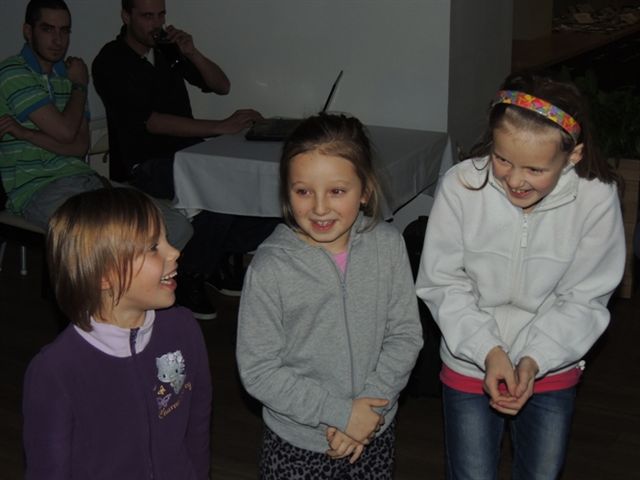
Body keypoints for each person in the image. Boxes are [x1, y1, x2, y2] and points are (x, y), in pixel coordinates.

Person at [416, 73, 626, 479]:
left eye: (534, 169)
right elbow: (443, 282)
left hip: (552, 366)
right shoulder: (461, 185)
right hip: (469, 363)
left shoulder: (596, 199)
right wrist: (488, 351)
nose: (515, 179)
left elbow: (585, 298)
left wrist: (535, 359)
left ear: (573, 155)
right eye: (503, 159)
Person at [236, 113, 423, 479]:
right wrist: (342, 413)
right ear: (286, 192)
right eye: (303, 191)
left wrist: (366, 413)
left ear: (365, 190)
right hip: (298, 442)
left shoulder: (388, 246)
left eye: (337, 191)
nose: (319, 208)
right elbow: (259, 370)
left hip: (373, 430)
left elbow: (404, 335)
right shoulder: (270, 268)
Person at [92, 0, 278, 319]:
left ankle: (215, 259)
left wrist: (192, 52)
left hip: (188, 153)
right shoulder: (111, 60)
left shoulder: (166, 50)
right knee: (218, 191)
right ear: (126, 16)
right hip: (144, 163)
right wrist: (220, 126)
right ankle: (192, 274)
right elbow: (151, 122)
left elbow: (221, 85)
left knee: (264, 187)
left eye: (161, 15)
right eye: (147, 16)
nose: (156, 23)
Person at [22, 187, 212, 479]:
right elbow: (48, 469)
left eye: (167, 239)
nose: (174, 252)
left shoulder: (183, 329)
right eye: (153, 246)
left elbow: (198, 425)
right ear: (103, 275)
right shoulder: (56, 370)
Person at [0, 0, 192, 252]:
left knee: (177, 226)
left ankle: (134, 277)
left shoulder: (68, 76)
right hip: (39, 190)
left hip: (87, 181)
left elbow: (80, 147)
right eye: (47, 29)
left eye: (64, 30)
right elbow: (65, 133)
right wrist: (80, 86)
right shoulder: (14, 72)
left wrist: (26, 133)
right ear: (28, 31)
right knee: (112, 241)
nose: (58, 40)